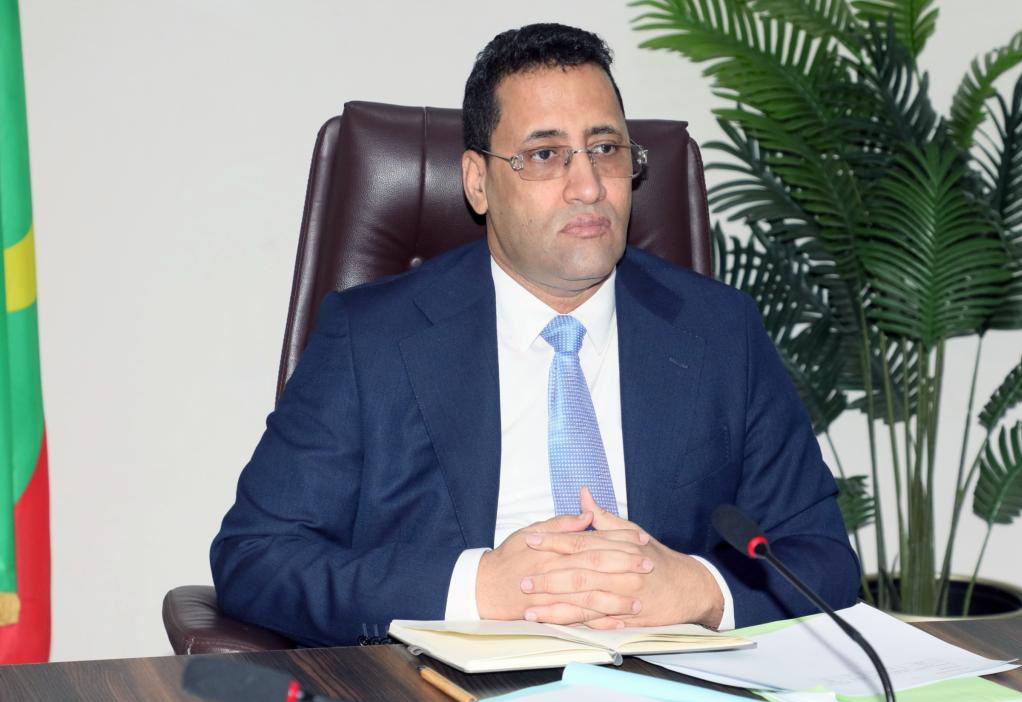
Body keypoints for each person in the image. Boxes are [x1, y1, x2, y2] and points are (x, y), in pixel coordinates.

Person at [210, 23, 859, 647]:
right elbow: (256, 556)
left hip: (666, 691)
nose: (588, 187)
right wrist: (478, 587)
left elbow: (823, 559)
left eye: (605, 150)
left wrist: (699, 590)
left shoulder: (719, 331)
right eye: (546, 155)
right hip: (445, 695)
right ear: (478, 182)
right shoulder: (371, 338)